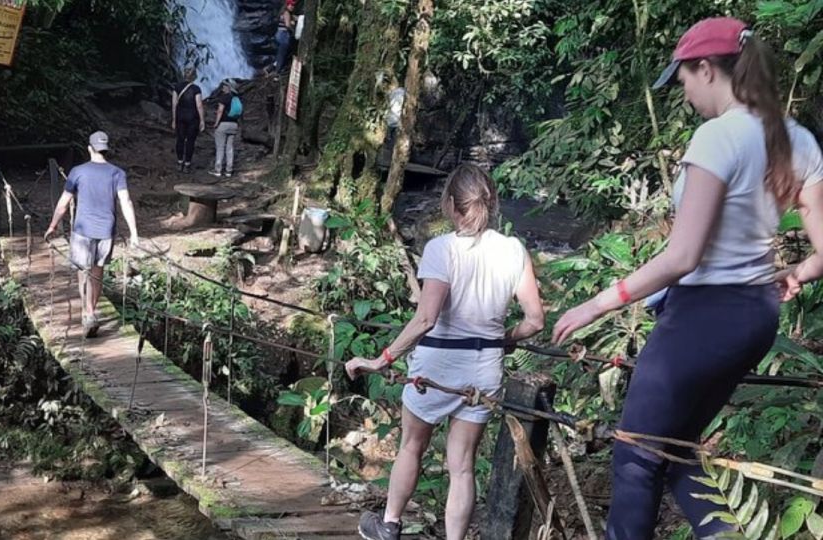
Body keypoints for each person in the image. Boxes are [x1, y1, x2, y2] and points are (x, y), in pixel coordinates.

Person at [551, 17, 823, 539]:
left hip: (701, 320)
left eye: (684, 80)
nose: (684, 93)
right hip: (754, 318)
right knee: (673, 448)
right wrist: (796, 273)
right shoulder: (797, 139)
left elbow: (683, 257)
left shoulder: (718, 137)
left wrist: (596, 305)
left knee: (634, 453)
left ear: (706, 69)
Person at [345, 163, 545, 540]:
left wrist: (380, 360)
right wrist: (501, 340)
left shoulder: (441, 249)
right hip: (485, 368)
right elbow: (534, 321)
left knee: (412, 445)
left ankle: (389, 524)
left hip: (435, 367)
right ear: (492, 202)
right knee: (463, 465)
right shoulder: (513, 250)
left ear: (451, 204)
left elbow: (425, 319)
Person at [44, 131, 140, 338]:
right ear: (106, 149)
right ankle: (91, 311)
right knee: (97, 272)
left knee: (83, 272)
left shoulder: (78, 171)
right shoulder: (117, 173)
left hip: (82, 231)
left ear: (90, 148)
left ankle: (87, 313)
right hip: (106, 231)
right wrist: (134, 233)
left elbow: (64, 202)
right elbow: (126, 202)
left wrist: (53, 225)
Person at [171, 69, 205, 173]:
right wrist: (202, 120)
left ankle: (179, 162)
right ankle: (187, 164)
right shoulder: (196, 89)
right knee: (190, 141)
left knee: (180, 139)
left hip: (180, 117)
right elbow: (199, 105)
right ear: (194, 77)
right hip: (193, 118)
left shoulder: (177, 87)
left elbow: (174, 104)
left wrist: (173, 119)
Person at [211, 78, 242, 178]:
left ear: (229, 88)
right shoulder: (237, 98)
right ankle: (229, 170)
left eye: (225, 86)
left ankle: (218, 170)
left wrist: (216, 123)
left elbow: (220, 111)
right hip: (234, 125)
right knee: (230, 148)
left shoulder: (224, 97)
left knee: (220, 147)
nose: (223, 87)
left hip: (223, 124)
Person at [274, 1, 295, 74]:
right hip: (283, 34)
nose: (292, 7)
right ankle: (278, 70)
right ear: (287, 5)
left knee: (282, 52)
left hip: (279, 34)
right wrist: (293, 30)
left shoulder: (283, 12)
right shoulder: (286, 13)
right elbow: (287, 25)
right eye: (291, 5)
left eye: (293, 5)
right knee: (282, 53)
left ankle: (274, 67)